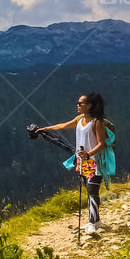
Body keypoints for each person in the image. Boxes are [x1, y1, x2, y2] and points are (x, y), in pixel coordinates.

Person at [40, 93, 108, 234]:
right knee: (90, 192)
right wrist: (46, 129)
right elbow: (64, 125)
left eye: (80, 103)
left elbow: (101, 144)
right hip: (82, 162)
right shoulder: (80, 119)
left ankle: (91, 223)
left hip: (95, 162)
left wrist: (89, 154)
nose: (77, 105)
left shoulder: (97, 122)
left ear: (89, 106)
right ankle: (97, 221)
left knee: (92, 191)